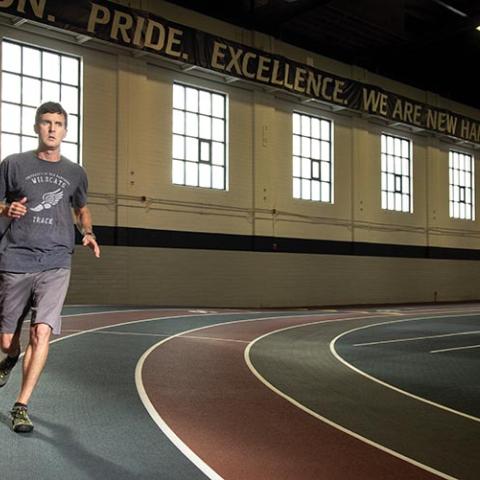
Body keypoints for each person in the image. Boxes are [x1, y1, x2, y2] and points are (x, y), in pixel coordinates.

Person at [0, 101, 100, 433]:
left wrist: (87, 232)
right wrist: (7, 208)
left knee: (41, 331)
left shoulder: (75, 172)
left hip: (57, 260)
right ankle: (10, 357)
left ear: (66, 130)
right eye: (46, 122)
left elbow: (82, 209)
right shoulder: (13, 164)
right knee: (5, 340)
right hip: (15, 257)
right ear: (36, 127)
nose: (52, 128)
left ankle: (21, 405)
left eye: (58, 123)